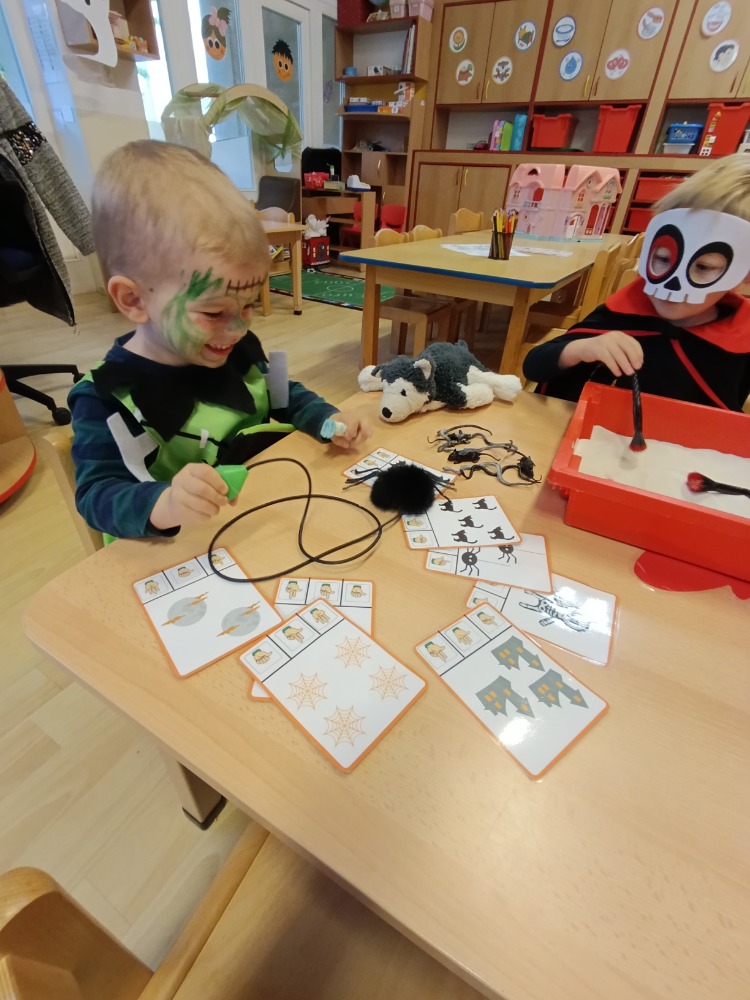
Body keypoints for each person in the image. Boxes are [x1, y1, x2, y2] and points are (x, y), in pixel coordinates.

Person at [69, 140, 370, 540]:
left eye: (248, 305)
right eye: (213, 313)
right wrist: (166, 503)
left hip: (262, 523)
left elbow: (284, 396)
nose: (238, 330)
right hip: (178, 554)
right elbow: (96, 496)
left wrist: (328, 419)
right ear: (134, 299)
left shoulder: (229, 347)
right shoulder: (104, 397)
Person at [523, 153, 750, 412]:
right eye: (663, 258)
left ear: (745, 273)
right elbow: (535, 366)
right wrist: (581, 348)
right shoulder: (624, 312)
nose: (673, 284)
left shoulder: (742, 337)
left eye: (704, 267)